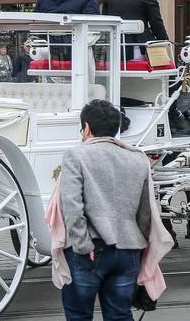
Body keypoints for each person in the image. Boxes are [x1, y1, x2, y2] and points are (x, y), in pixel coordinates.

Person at [58, 99, 152, 321]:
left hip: (90, 248)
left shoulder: (76, 155)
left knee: (79, 316)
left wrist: (81, 245)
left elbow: (71, 205)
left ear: (87, 128)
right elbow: (145, 212)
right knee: (120, 315)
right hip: (128, 249)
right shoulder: (138, 158)